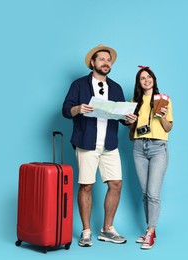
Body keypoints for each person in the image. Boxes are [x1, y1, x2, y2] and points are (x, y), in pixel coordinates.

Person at [62, 44, 129, 247]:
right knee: (86, 185)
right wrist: (78, 108)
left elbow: (121, 117)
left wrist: (129, 118)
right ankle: (86, 231)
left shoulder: (116, 88)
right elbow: (65, 110)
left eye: (108, 60)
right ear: (93, 63)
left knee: (116, 184)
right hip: (86, 142)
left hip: (109, 143)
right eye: (101, 59)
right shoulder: (79, 85)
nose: (106, 63)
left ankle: (107, 229)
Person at [126, 66, 173, 250]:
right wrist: (130, 123)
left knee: (153, 193)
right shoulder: (134, 102)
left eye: (149, 77)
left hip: (158, 147)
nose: (146, 80)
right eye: (142, 78)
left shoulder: (164, 99)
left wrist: (161, 117)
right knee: (145, 193)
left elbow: (168, 127)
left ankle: (151, 232)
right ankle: (149, 229)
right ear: (139, 83)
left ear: (154, 79)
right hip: (139, 147)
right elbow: (131, 134)